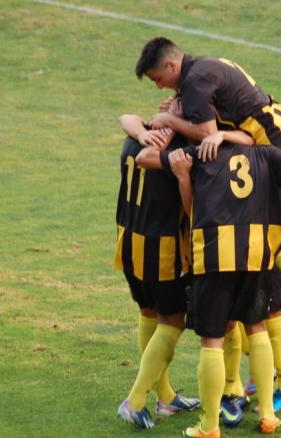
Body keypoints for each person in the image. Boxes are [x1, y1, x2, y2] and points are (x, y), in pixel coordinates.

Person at [135, 37, 281, 415]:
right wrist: (181, 118)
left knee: (265, 301)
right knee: (252, 312)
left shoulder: (193, 88)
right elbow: (217, 131)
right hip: (280, 129)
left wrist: (169, 120)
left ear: (172, 66)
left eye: (158, 79)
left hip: (270, 142)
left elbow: (207, 134)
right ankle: (245, 387)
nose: (159, 87)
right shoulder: (203, 69)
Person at [136, 141, 281, 437]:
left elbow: (191, 208)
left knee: (212, 341)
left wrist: (182, 176)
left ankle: (209, 426)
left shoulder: (201, 154)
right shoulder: (263, 152)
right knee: (256, 328)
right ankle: (268, 415)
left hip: (215, 255)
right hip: (256, 254)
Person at [114, 115, 200, 429]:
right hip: (160, 245)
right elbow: (193, 210)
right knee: (173, 321)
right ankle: (135, 401)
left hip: (127, 238)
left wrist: (140, 129)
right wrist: (185, 177)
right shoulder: (181, 152)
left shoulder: (139, 136)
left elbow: (127, 117)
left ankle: (165, 396)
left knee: (149, 312)